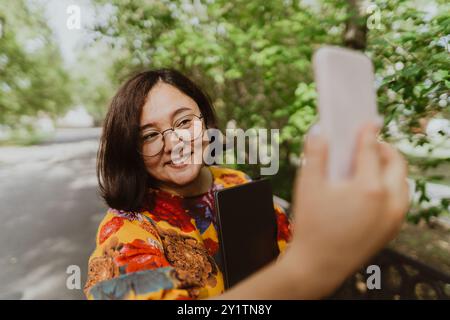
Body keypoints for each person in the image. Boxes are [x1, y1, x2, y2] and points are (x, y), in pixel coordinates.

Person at [84, 68, 409, 300]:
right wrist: (308, 271)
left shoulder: (234, 182)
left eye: (184, 122)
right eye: (150, 135)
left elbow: (287, 245)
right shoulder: (125, 233)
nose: (175, 142)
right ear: (132, 150)